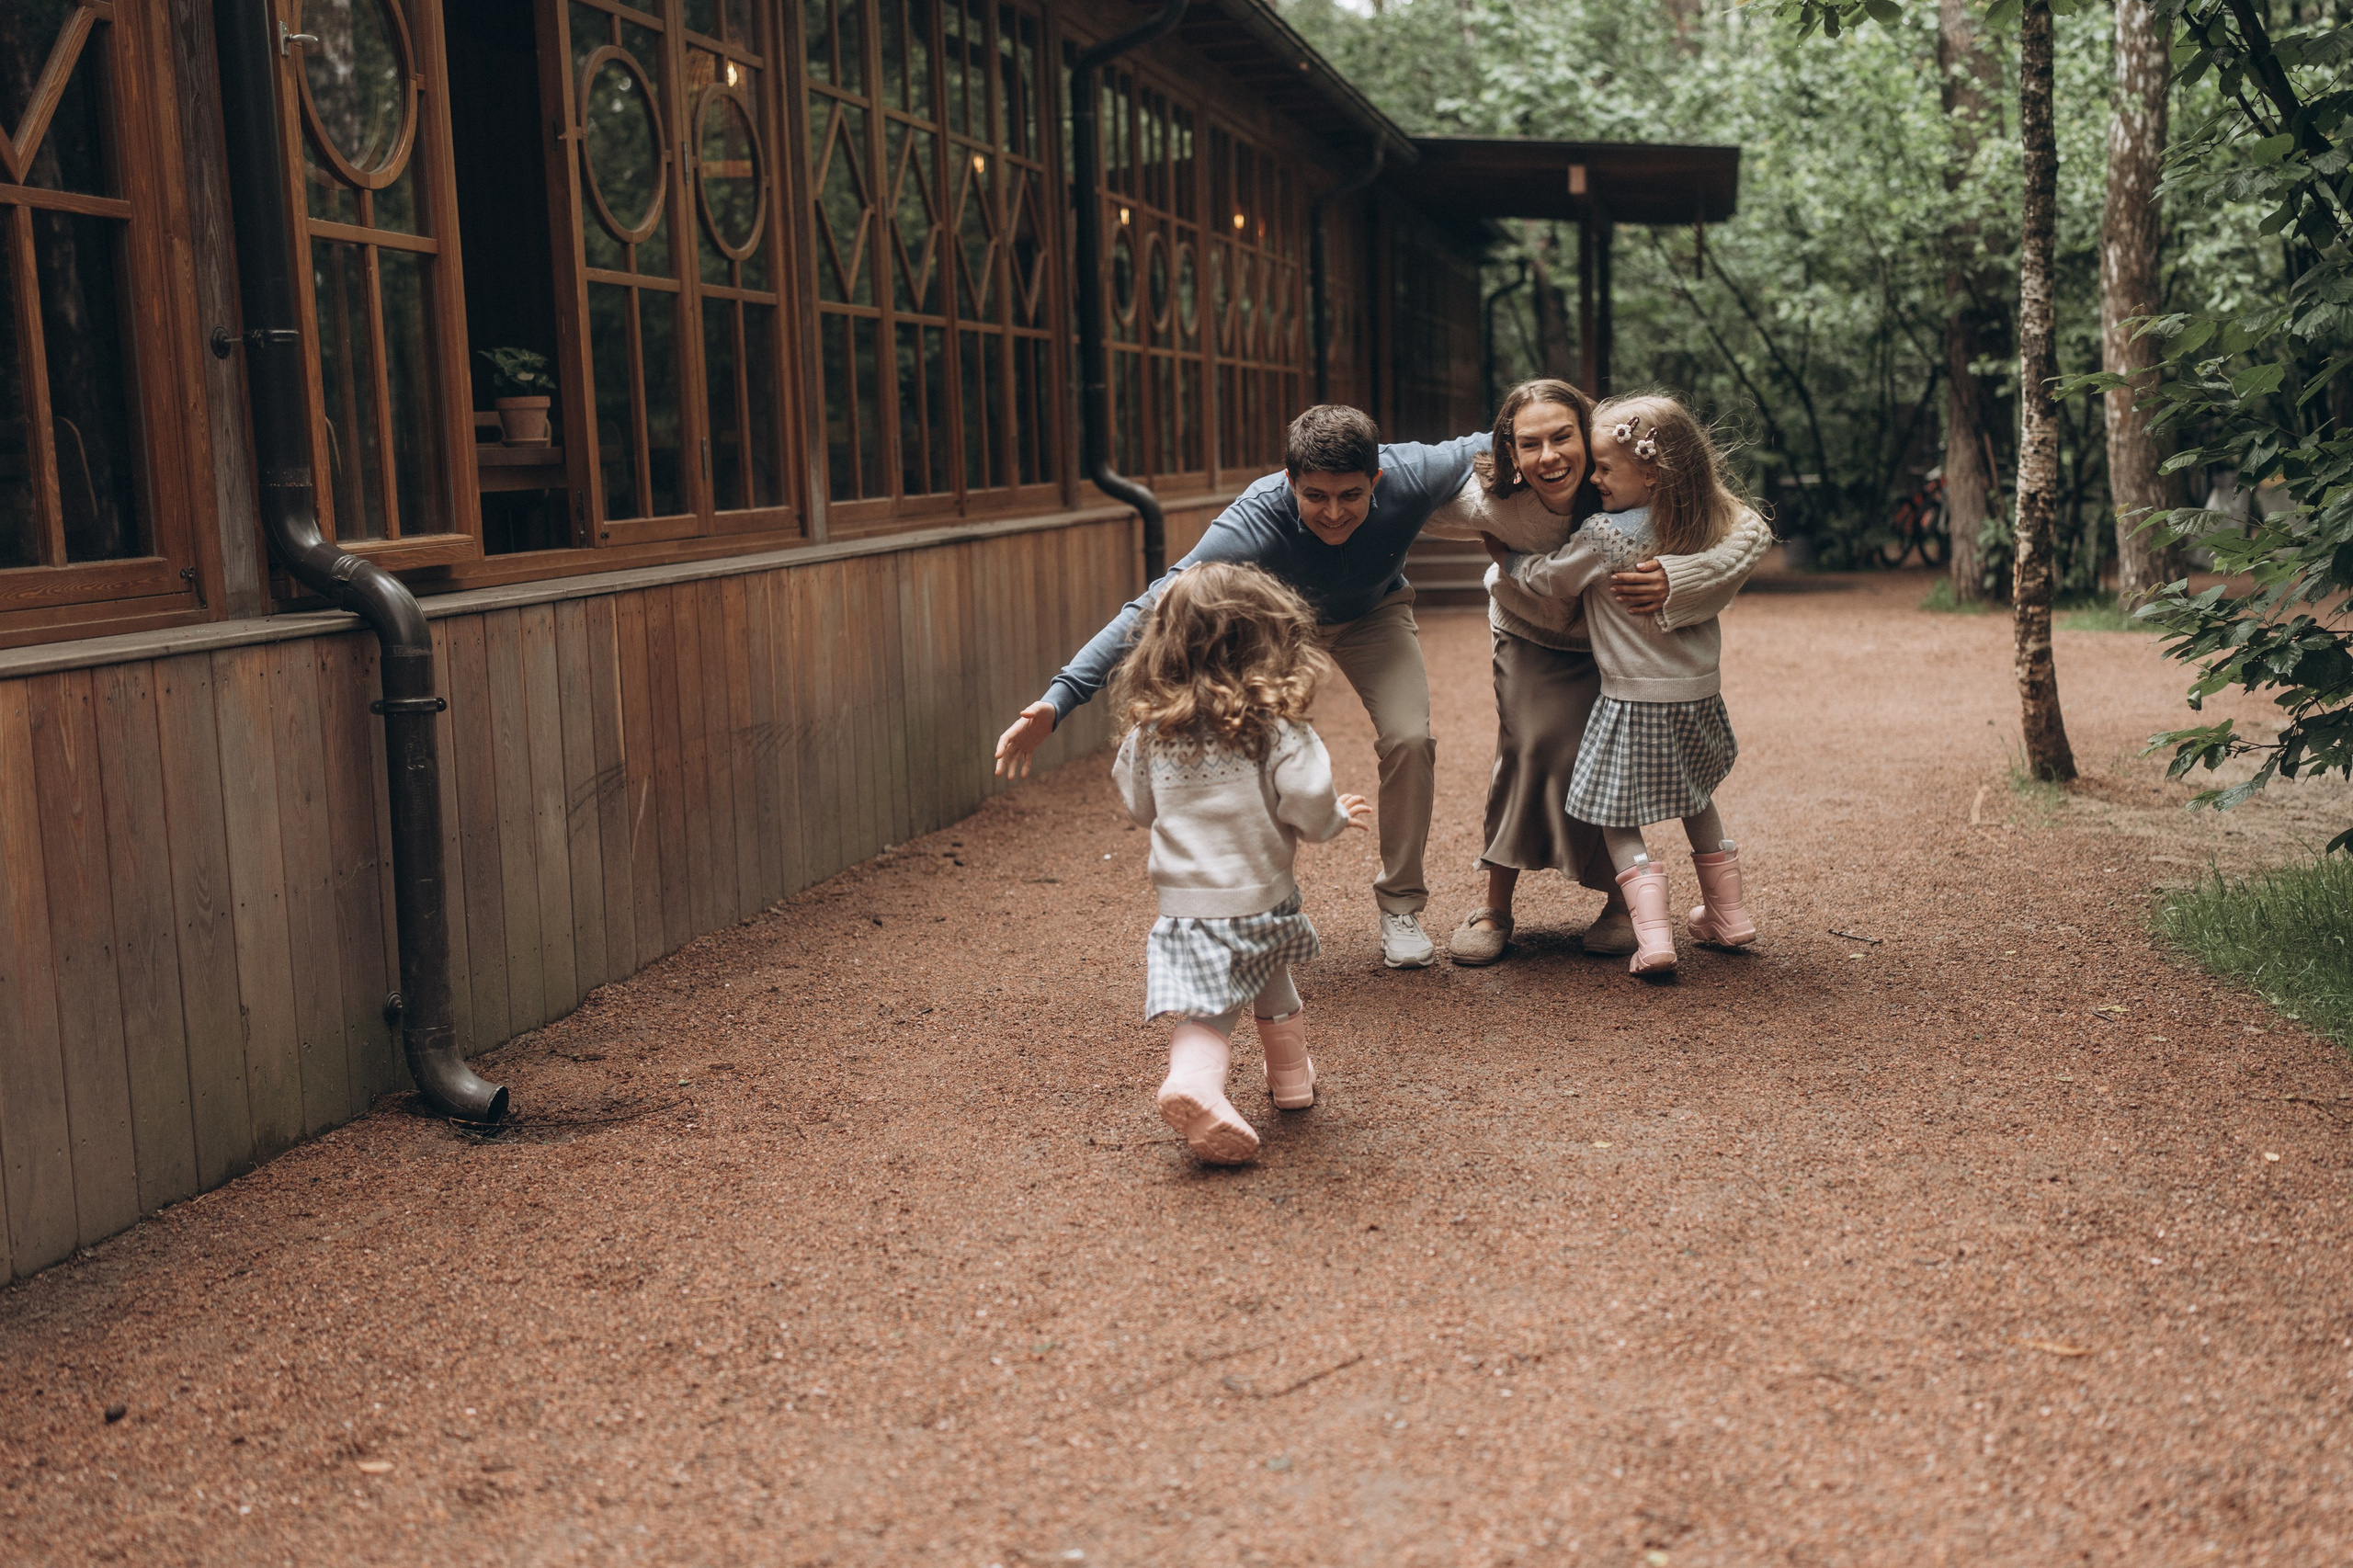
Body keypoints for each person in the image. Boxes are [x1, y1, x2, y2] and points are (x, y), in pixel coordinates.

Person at [1423, 379, 1769, 966]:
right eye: (1529, 444)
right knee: (1545, 751)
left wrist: (1678, 578)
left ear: (1589, 438)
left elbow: (1751, 529)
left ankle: (1638, 922)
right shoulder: (1510, 498)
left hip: (1618, 672)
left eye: (1564, 438)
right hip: (1562, 643)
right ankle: (1499, 906)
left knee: (1617, 801)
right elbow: (1420, 499)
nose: (1550, 457)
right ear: (1510, 451)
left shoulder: (1617, 500)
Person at [1108, 563, 1371, 1165]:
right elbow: (1307, 805)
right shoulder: (1276, 731)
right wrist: (1334, 819)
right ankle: (1193, 1083)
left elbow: (1139, 808)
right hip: (1261, 895)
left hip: (1187, 904)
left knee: (1264, 976)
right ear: (1264, 640)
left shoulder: (1150, 735)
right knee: (1221, 1006)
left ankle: (1292, 1081)